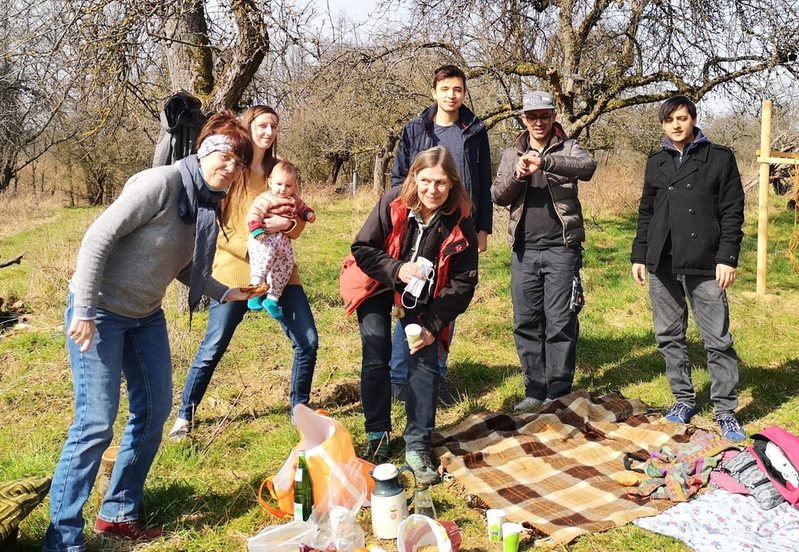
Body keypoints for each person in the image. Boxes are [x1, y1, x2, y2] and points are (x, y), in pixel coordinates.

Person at [44, 112, 258, 550]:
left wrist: (225, 292)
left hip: (145, 316)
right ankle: (62, 539)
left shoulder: (204, 202)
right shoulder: (161, 184)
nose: (230, 166)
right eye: (223, 154)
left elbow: (179, 264)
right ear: (202, 152)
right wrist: (82, 309)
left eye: (238, 160)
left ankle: (119, 512)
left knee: (155, 409)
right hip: (99, 313)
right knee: (95, 423)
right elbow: (97, 237)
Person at [169, 106, 318, 440]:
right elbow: (215, 226)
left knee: (307, 341)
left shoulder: (279, 172)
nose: (268, 132)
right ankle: (184, 416)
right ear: (247, 127)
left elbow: (294, 222)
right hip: (235, 272)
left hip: (280, 273)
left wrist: (290, 224)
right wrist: (252, 247)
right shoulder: (229, 169)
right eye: (262, 125)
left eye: (274, 126)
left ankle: (301, 408)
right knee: (214, 346)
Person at [345, 146, 478, 484]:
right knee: (376, 351)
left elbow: (463, 284)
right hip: (377, 281)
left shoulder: (460, 219)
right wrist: (398, 269)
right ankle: (377, 433)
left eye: (441, 183)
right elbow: (362, 248)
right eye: (426, 181)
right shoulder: (392, 202)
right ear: (414, 178)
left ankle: (417, 445)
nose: (432, 190)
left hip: (425, 296)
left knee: (424, 360)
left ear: (452, 185)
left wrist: (433, 325)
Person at [631, 95, 746, 442]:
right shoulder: (657, 162)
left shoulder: (719, 158)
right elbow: (646, 213)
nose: (677, 125)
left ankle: (725, 410)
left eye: (682, 118)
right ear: (663, 125)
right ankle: (683, 399)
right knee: (669, 335)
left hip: (706, 260)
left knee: (718, 340)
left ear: (693, 120)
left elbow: (732, 211)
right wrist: (639, 255)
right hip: (662, 259)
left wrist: (727, 258)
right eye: (670, 120)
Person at [388, 64, 492, 405]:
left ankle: (437, 375)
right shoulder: (416, 129)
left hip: (458, 226)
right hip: (418, 223)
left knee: (446, 295)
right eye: (445, 88)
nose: (452, 95)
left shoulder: (475, 130)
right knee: (411, 295)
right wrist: (400, 218)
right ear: (434, 91)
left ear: (464, 92)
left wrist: (482, 228)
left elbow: (483, 179)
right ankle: (399, 377)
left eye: (458, 89)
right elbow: (399, 177)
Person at [491, 90, 597, 412]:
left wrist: (545, 162)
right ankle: (534, 390)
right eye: (532, 116)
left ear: (553, 116)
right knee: (526, 322)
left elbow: (587, 167)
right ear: (524, 119)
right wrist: (519, 175)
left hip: (561, 249)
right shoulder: (512, 153)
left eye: (544, 116)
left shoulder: (568, 146)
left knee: (560, 321)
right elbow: (498, 195)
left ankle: (558, 392)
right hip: (523, 250)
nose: (538, 122)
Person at [246, 160, 315, 319]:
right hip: (264, 237)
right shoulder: (265, 199)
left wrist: (308, 214)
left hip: (282, 241)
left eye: (288, 185)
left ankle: (272, 299)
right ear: (270, 182)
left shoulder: (294, 199)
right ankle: (254, 291)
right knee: (264, 259)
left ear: (294, 186)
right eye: (279, 184)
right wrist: (256, 229)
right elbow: (254, 214)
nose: (283, 189)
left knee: (286, 265)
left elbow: (302, 208)